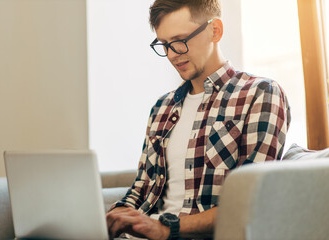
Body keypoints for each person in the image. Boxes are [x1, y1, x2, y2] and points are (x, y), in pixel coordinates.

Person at [106, 0, 291, 239]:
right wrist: (119, 212)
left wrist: (165, 228)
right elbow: (141, 187)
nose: (172, 55)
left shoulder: (261, 94)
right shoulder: (162, 108)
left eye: (180, 41)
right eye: (165, 44)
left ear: (215, 30)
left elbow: (251, 200)